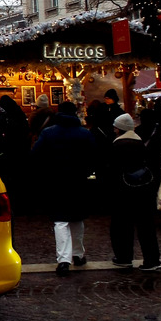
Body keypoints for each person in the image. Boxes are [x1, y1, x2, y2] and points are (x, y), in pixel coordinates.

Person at [31, 101, 97, 276]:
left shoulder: (48, 133)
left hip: (55, 182)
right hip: (79, 181)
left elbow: (36, 155)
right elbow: (94, 157)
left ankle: (63, 260)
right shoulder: (85, 133)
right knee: (77, 219)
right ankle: (78, 254)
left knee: (60, 221)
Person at [108, 113, 161, 271]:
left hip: (123, 191)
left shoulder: (117, 145)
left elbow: (112, 170)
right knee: (146, 225)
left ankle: (124, 257)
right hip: (144, 190)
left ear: (120, 129)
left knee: (122, 225)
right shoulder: (140, 143)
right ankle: (152, 259)